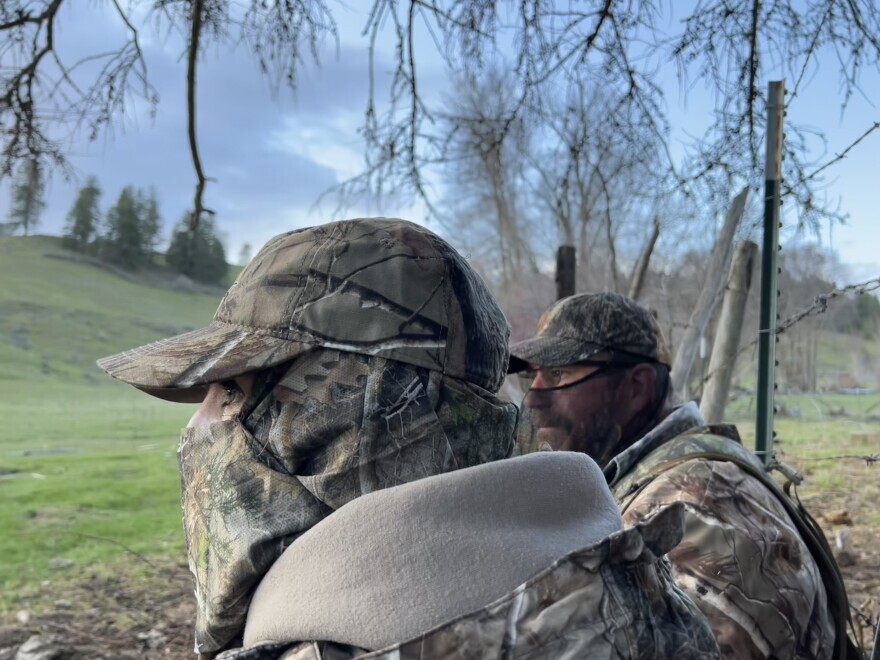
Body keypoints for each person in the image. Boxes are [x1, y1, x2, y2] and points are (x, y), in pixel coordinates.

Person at [98, 219, 720, 659]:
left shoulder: (348, 646)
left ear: (348, 413)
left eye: (228, 390)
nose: (200, 425)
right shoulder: (626, 586)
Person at [509, 291, 851, 659]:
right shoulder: (657, 478)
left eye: (558, 375)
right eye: (534, 376)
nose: (532, 398)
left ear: (636, 388)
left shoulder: (693, 511)